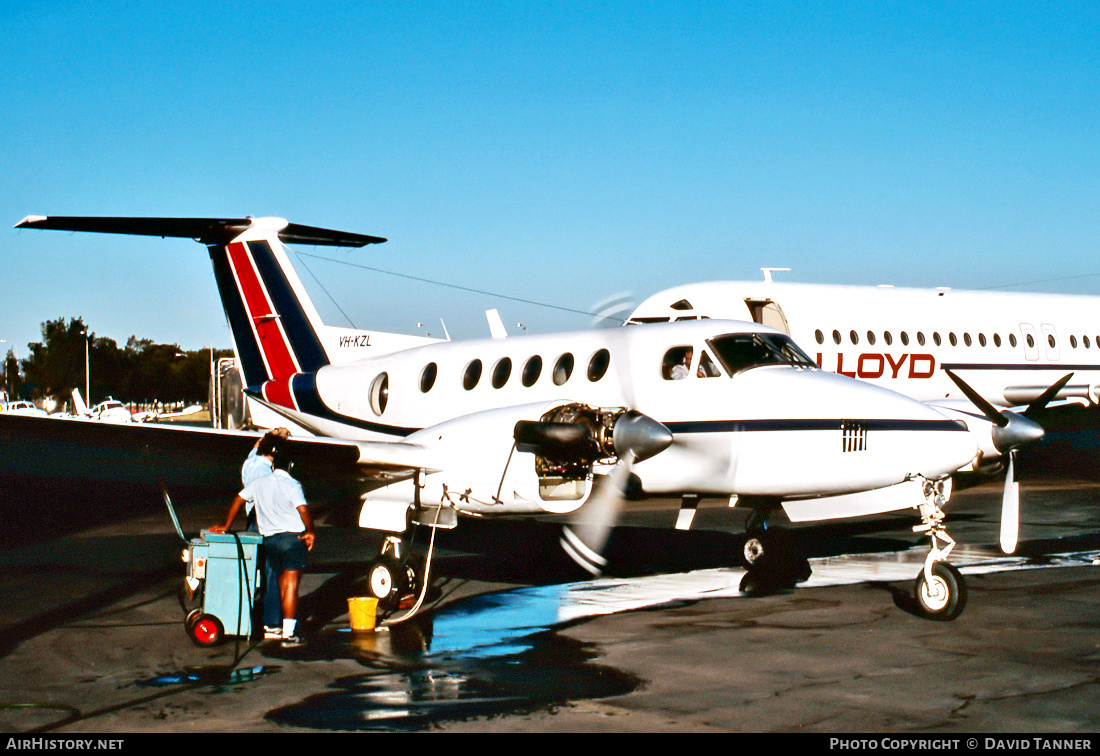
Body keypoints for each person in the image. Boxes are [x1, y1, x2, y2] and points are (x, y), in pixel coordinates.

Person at [212, 438, 316, 647]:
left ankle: (276, 626)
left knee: (279, 585)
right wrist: (311, 531)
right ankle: (289, 635)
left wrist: (226, 524)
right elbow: (303, 510)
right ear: (291, 466)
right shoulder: (292, 484)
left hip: (271, 541)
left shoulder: (259, 483)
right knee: (291, 587)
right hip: (292, 539)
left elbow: (239, 499)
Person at [240, 427, 289, 640]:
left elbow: (257, 446)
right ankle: (272, 623)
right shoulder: (266, 472)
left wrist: (274, 432)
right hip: (265, 520)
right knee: (272, 569)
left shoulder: (250, 461)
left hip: (251, 521)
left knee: (252, 568)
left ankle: (247, 618)